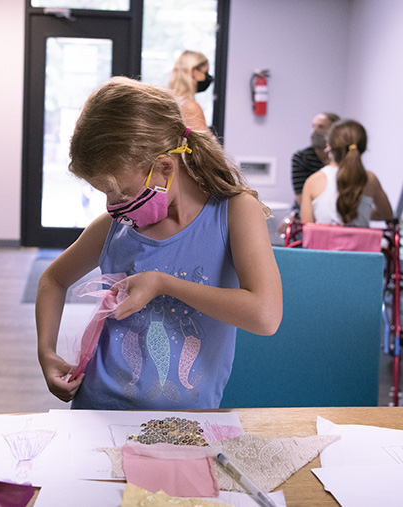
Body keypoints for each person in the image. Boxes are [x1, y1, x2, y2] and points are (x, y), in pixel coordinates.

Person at [36, 77, 282, 410]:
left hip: (189, 423)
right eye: (106, 195)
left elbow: (265, 316)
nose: (113, 206)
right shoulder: (113, 229)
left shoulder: (234, 212)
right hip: (99, 410)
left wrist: (163, 284)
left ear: (164, 167)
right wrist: (46, 352)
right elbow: (54, 279)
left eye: (121, 193)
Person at [301, 119, 392, 226]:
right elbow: (387, 215)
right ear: (362, 148)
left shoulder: (313, 181)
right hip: (362, 243)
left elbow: (306, 228)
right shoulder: (370, 179)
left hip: (322, 243)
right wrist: (360, 213)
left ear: (329, 146)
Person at [291, 112, 340, 210]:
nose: (315, 131)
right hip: (306, 209)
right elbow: (301, 198)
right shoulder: (301, 157)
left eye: (321, 127)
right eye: (314, 126)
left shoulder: (343, 158)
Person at [167, 50, 214, 138]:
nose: (207, 77)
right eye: (205, 72)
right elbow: (205, 147)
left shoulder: (170, 101)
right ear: (194, 71)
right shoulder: (191, 107)